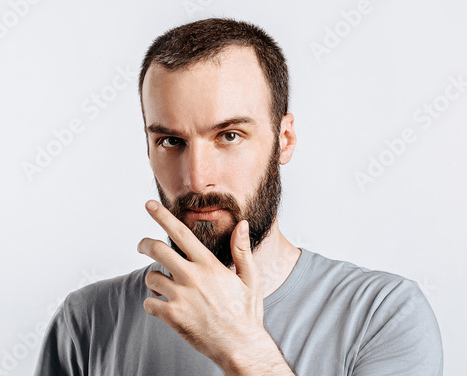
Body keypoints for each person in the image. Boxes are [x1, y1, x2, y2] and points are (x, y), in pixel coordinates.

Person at [34, 18, 443, 375]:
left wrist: (243, 348)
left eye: (229, 136)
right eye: (170, 140)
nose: (197, 179)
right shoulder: (86, 322)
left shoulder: (383, 315)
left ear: (284, 140)